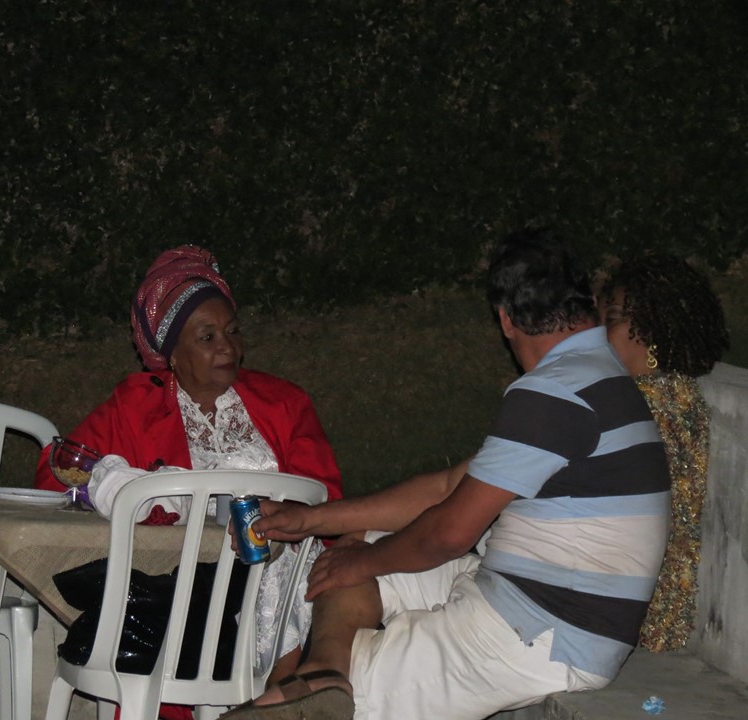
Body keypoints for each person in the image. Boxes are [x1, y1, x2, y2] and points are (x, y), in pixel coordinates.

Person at [222, 229, 672, 720]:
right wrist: (312, 520)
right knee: (351, 548)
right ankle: (325, 675)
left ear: (505, 318)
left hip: (546, 633)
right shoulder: (593, 375)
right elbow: (446, 488)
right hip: (520, 593)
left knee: (353, 597)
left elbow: (450, 533)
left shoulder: (556, 392)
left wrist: (365, 564)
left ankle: (326, 688)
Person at [35, 245, 343, 719]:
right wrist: (125, 487)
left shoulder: (283, 402)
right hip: (186, 599)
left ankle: (279, 690)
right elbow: (59, 469)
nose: (228, 347)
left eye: (233, 331)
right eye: (207, 337)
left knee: (285, 564)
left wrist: (280, 518)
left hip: (282, 589)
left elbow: (326, 497)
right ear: (171, 355)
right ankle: (273, 695)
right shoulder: (136, 406)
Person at [597, 254, 729, 652]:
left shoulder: (654, 406)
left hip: (636, 607)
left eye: (613, 317)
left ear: (649, 330)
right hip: (642, 602)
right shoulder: (661, 395)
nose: (600, 331)